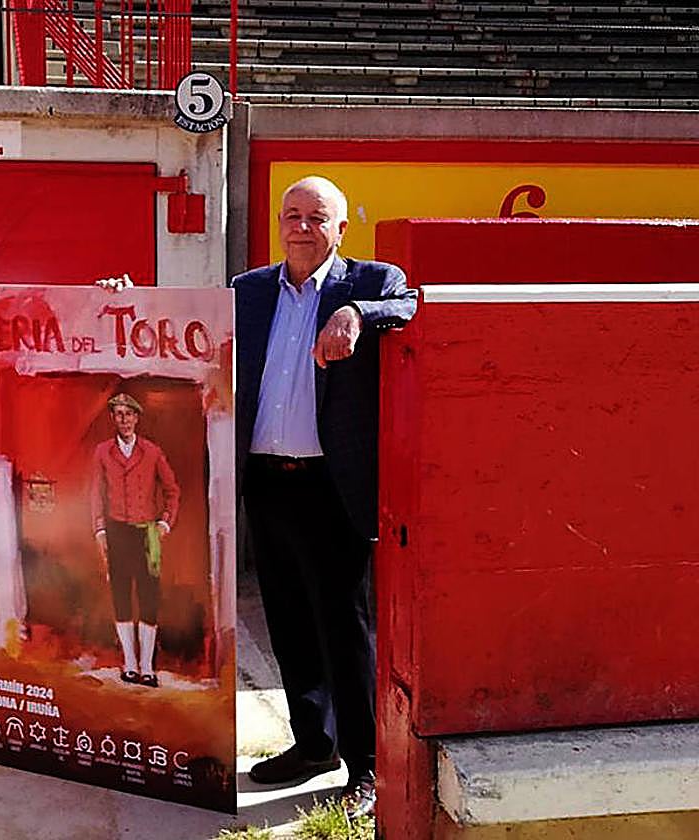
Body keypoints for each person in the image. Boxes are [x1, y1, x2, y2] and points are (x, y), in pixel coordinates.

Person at [234, 176, 417, 819]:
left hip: (331, 487)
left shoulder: (370, 280)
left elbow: (410, 303)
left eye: (317, 217)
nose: (302, 227)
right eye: (292, 215)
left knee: (343, 628)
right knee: (286, 623)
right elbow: (189, 326)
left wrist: (356, 313)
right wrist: (123, 301)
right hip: (265, 481)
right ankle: (313, 744)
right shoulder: (249, 290)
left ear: (341, 228)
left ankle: (365, 766)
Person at [91, 393, 180, 688]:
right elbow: (96, 493)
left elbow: (172, 490)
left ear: (137, 418)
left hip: (147, 533)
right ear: (113, 418)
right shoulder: (103, 452)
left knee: (148, 597)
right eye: (118, 414)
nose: (124, 420)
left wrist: (164, 523)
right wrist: (100, 529)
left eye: (129, 414)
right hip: (117, 531)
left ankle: (147, 667)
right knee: (120, 595)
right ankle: (129, 663)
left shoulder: (151, 451)